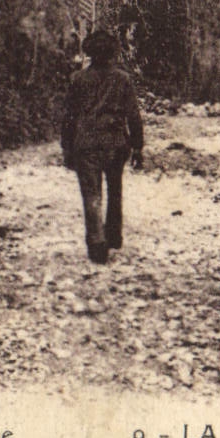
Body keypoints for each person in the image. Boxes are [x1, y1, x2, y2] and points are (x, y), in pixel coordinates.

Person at [61, 28, 144, 264]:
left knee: (92, 193)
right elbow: (133, 116)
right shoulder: (123, 79)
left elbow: (69, 117)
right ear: (113, 52)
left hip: (86, 143)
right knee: (115, 189)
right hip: (116, 143)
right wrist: (138, 147)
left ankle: (97, 242)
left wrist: (66, 147)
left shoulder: (78, 79)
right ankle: (114, 235)